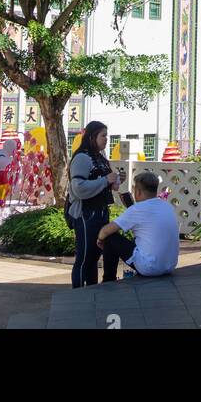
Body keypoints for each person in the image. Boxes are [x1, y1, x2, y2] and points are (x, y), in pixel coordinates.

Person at [96, 170, 179, 279]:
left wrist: (100, 240)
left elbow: (105, 231)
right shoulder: (167, 206)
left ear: (138, 191)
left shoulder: (137, 209)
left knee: (111, 238)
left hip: (150, 268)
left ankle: (108, 279)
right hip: (169, 266)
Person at [67, 121, 119, 289]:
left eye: (107, 135)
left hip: (101, 212)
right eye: (103, 135)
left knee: (94, 256)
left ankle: (91, 290)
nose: (106, 139)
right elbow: (78, 188)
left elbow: (104, 183)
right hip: (86, 214)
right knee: (85, 256)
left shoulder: (100, 157)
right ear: (92, 137)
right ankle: (78, 292)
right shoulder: (82, 157)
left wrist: (114, 182)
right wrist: (105, 180)